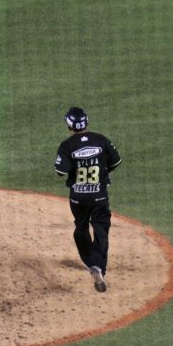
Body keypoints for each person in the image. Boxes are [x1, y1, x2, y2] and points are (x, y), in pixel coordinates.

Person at [54, 107, 122, 293]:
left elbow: (60, 171)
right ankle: (98, 265)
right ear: (87, 121)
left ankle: (91, 262)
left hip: (78, 198)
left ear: (69, 124)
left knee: (81, 229)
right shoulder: (101, 140)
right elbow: (116, 161)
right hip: (99, 195)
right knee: (101, 228)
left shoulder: (67, 145)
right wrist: (101, 170)